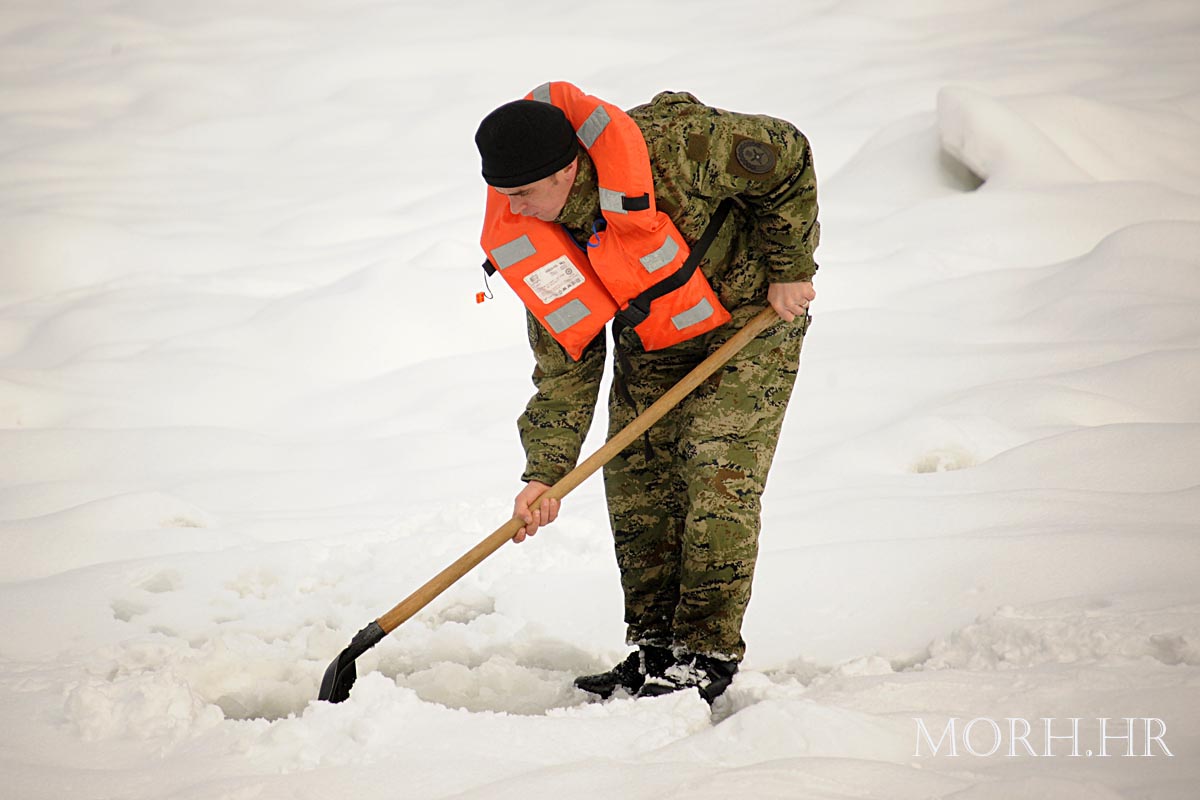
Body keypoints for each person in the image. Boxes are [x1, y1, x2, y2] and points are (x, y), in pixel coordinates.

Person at [474, 82, 819, 703]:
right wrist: (544, 472)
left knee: (716, 471)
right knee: (637, 478)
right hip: (657, 340)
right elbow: (565, 363)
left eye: (523, 192)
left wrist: (791, 267)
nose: (515, 209)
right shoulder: (533, 240)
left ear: (567, 167)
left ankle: (705, 654)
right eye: (503, 196)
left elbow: (787, 154)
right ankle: (657, 649)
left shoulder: (674, 150)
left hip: (749, 321)